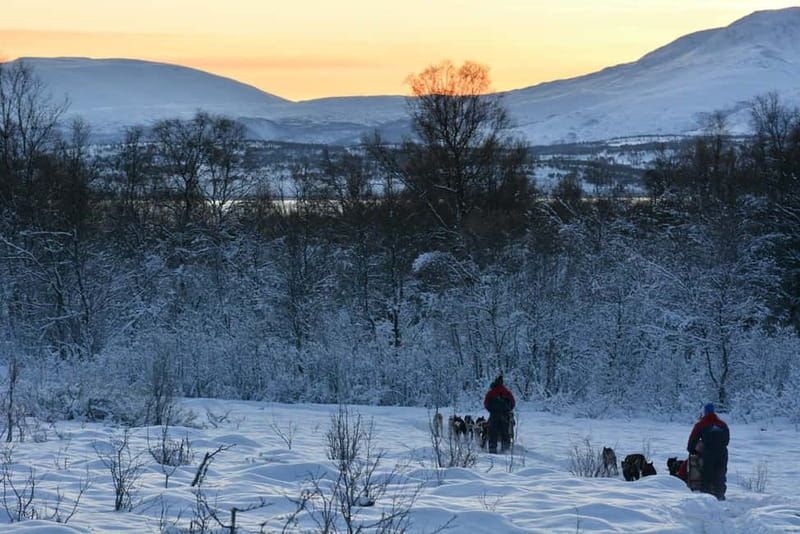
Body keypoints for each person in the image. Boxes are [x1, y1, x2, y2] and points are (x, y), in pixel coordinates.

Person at [687, 403, 729, 500]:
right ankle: (720, 496)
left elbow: (693, 439)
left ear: (705, 412)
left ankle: (707, 498)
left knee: (707, 474)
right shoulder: (723, 424)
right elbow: (727, 440)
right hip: (722, 452)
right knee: (720, 474)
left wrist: (692, 450)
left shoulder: (700, 424)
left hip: (708, 452)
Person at [483, 375, 515, 453]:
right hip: (505, 415)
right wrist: (508, 409)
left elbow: (486, 403)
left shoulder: (491, 392)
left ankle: (492, 449)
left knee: (492, 432)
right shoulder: (507, 392)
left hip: (494, 415)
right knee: (505, 432)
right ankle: (505, 450)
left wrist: (491, 410)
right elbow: (513, 403)